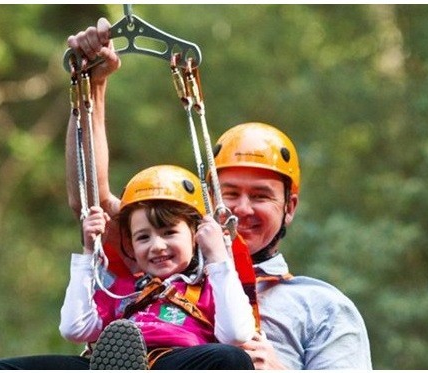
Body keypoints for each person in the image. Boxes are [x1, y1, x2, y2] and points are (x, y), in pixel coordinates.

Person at [65, 17, 373, 370]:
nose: (241, 209)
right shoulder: (158, 266)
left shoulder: (319, 305)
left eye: (260, 196)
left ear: (289, 207)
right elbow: (91, 202)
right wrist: (93, 83)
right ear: (207, 200)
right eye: (229, 193)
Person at [0, 165, 255, 369]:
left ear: (196, 234)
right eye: (143, 237)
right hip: (105, 364)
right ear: (131, 247)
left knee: (232, 360)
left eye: (169, 233)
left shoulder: (208, 285)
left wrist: (218, 256)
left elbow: (236, 334)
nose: (156, 246)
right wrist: (88, 252)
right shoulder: (124, 289)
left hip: (174, 362)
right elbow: (75, 329)